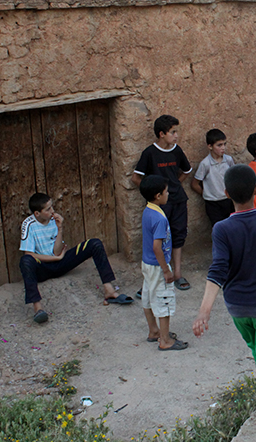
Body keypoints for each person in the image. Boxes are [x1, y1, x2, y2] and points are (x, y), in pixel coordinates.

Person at [193, 164, 256, 442]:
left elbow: (218, 270)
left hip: (238, 308)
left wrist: (204, 312)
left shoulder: (221, 229)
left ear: (227, 193)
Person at [18, 193, 132, 324]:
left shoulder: (53, 220)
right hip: (42, 268)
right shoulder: (28, 224)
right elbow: (29, 254)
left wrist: (60, 228)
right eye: (48, 209)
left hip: (60, 262)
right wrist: (56, 259)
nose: (52, 211)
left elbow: (56, 252)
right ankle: (38, 308)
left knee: (95, 244)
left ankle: (109, 290)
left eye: (52, 207)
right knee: (26, 261)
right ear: (37, 213)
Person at [132, 115, 193, 291]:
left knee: (178, 234)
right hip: (160, 205)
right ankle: (158, 275)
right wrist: (152, 192)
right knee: (159, 238)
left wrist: (175, 185)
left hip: (178, 200)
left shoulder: (177, 151)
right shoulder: (149, 153)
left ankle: (178, 274)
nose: (176, 136)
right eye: (173, 132)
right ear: (161, 134)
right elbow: (136, 178)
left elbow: (186, 171)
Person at [139, 175, 187, 351]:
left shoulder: (147, 211)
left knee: (148, 296)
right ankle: (165, 340)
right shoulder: (160, 218)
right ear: (158, 195)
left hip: (147, 264)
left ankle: (154, 331)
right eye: (166, 192)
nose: (168, 194)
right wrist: (166, 270)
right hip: (158, 265)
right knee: (164, 300)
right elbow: (157, 247)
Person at [191, 128, 235, 227]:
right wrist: (207, 194)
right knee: (218, 227)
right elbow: (195, 184)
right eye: (219, 145)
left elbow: (233, 176)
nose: (223, 148)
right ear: (210, 146)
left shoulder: (228, 160)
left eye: (224, 144)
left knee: (232, 226)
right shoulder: (205, 164)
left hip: (228, 200)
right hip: (213, 204)